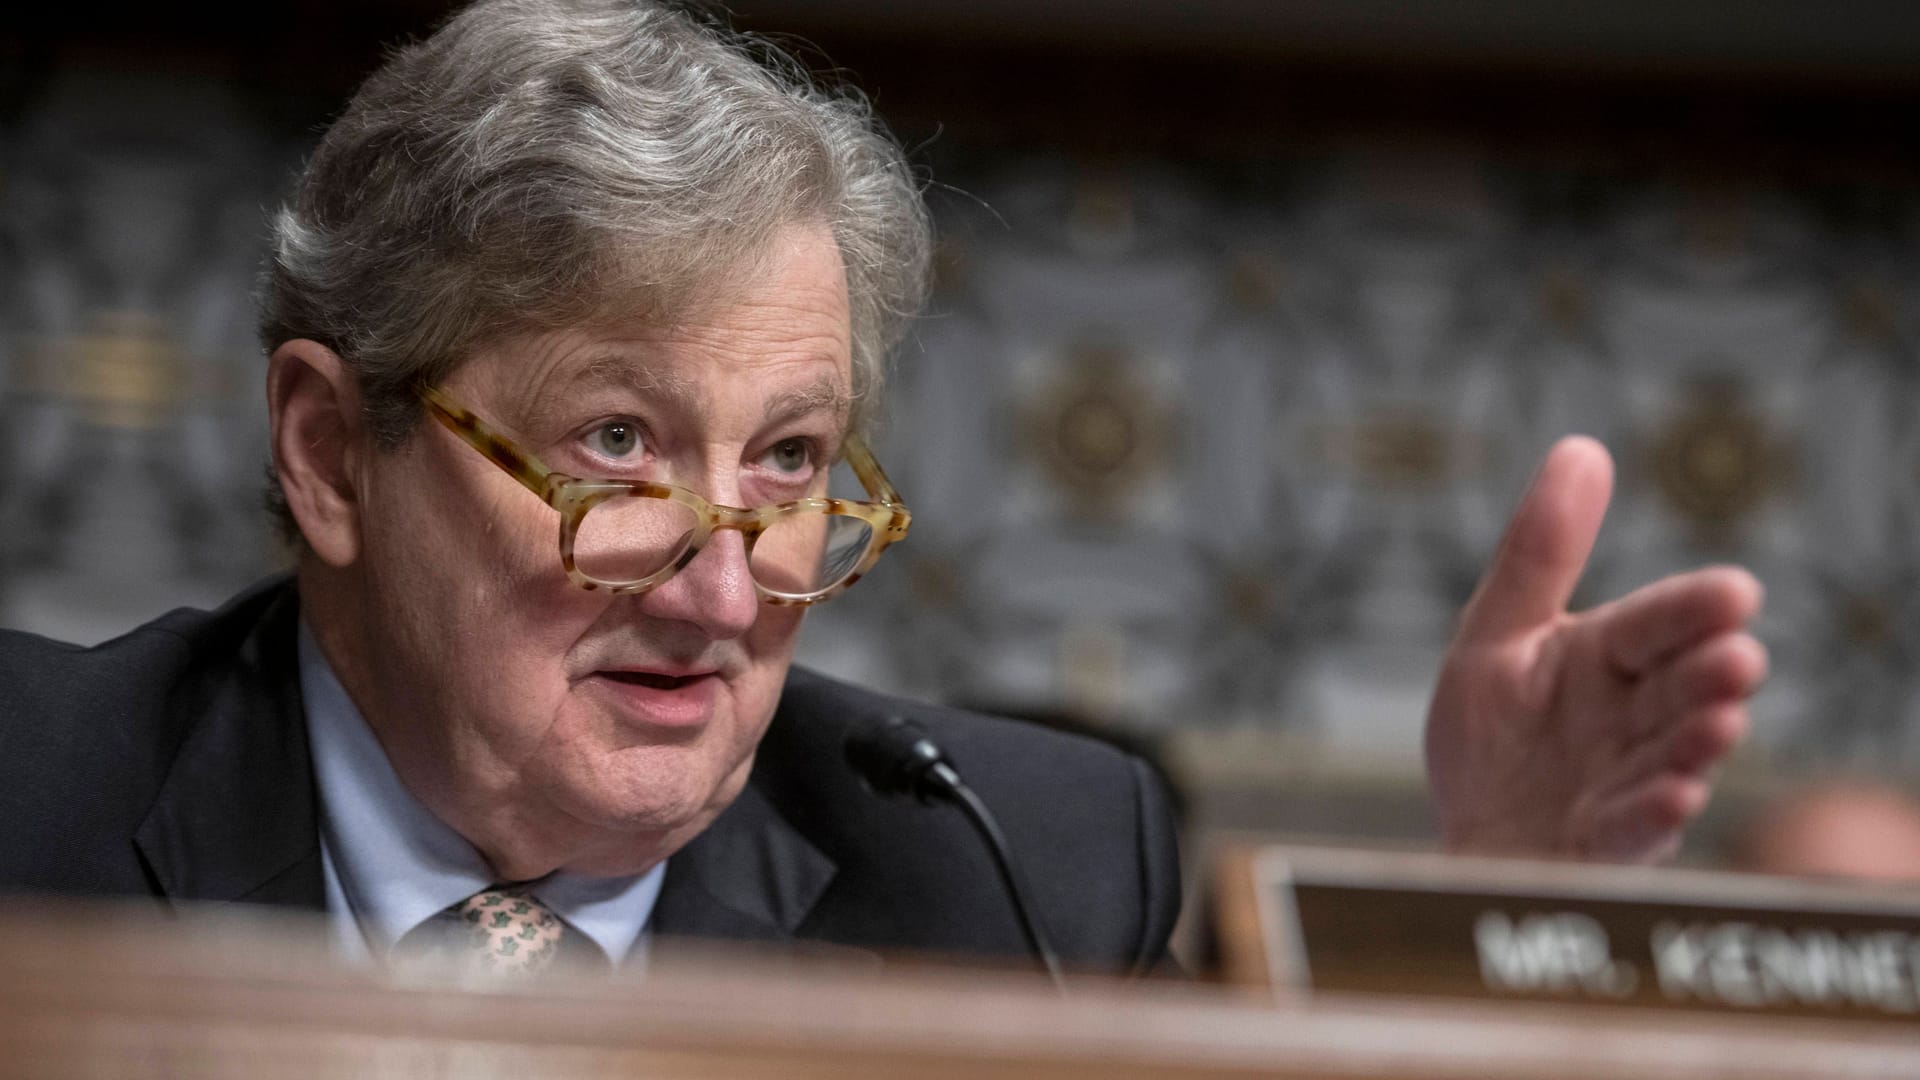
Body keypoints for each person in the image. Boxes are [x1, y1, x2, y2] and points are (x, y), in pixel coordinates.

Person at [0, 0, 1766, 977]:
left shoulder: (1013, 878)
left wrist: (1494, 912)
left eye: (785, 461)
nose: (723, 586)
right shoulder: (31, 812)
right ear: (329, 456)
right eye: (617, 447)